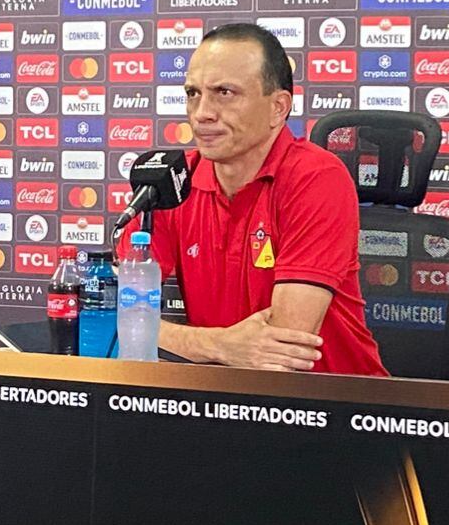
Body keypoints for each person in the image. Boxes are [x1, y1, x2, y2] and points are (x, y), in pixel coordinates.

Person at [152, 23, 388, 375]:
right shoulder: (172, 180)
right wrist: (220, 345)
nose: (202, 113)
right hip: (228, 399)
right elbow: (108, 315)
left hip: (337, 408)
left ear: (278, 107)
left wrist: (174, 338)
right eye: (193, 93)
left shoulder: (317, 177)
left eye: (224, 93)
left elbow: (285, 348)